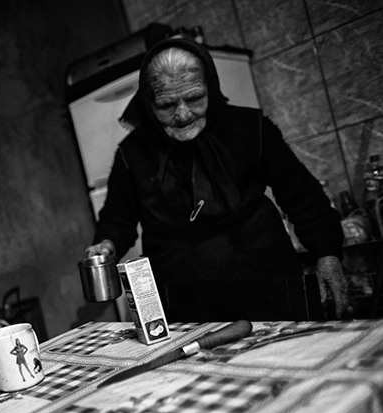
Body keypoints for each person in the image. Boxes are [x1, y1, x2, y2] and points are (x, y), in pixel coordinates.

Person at [85, 37, 349, 318]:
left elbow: (301, 195)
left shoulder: (250, 129)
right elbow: (118, 218)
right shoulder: (131, 153)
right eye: (166, 104)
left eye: (195, 98)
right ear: (149, 103)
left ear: (211, 88)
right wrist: (107, 244)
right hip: (184, 296)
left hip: (267, 278)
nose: (183, 114)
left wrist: (327, 254)